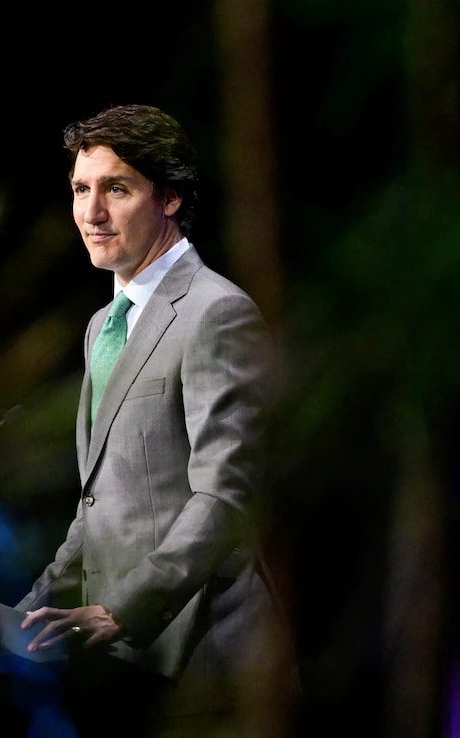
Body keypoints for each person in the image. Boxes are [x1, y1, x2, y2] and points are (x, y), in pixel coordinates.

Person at [17, 104, 289, 736]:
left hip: (207, 659)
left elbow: (225, 495)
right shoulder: (101, 328)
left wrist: (120, 609)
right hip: (125, 670)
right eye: (81, 190)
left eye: (116, 188)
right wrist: (20, 613)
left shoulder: (215, 313)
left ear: (168, 197)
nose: (91, 214)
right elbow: (99, 507)